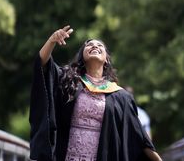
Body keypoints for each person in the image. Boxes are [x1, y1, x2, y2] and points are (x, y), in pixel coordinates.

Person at [29, 25, 162, 161]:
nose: (94, 46)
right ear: (82, 56)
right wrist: (51, 41)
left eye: (100, 46)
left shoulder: (120, 96)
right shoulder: (69, 81)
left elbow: (137, 135)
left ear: (106, 59)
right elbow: (43, 64)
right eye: (89, 45)